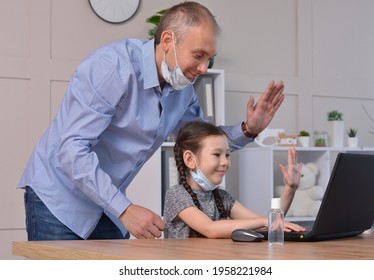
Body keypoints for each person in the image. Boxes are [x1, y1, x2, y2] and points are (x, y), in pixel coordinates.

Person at [17, 1, 285, 241]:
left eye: (209, 58)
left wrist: (249, 129)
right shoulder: (111, 68)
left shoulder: (184, 92)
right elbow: (72, 148)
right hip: (58, 200)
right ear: (168, 40)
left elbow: (203, 143)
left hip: (106, 204)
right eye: (198, 55)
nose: (204, 68)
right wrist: (124, 209)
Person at [164, 121, 305, 238]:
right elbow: (210, 229)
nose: (225, 162)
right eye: (217, 154)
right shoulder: (177, 195)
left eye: (227, 155)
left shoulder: (222, 197)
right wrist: (264, 220)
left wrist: (290, 189)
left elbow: (267, 224)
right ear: (190, 159)